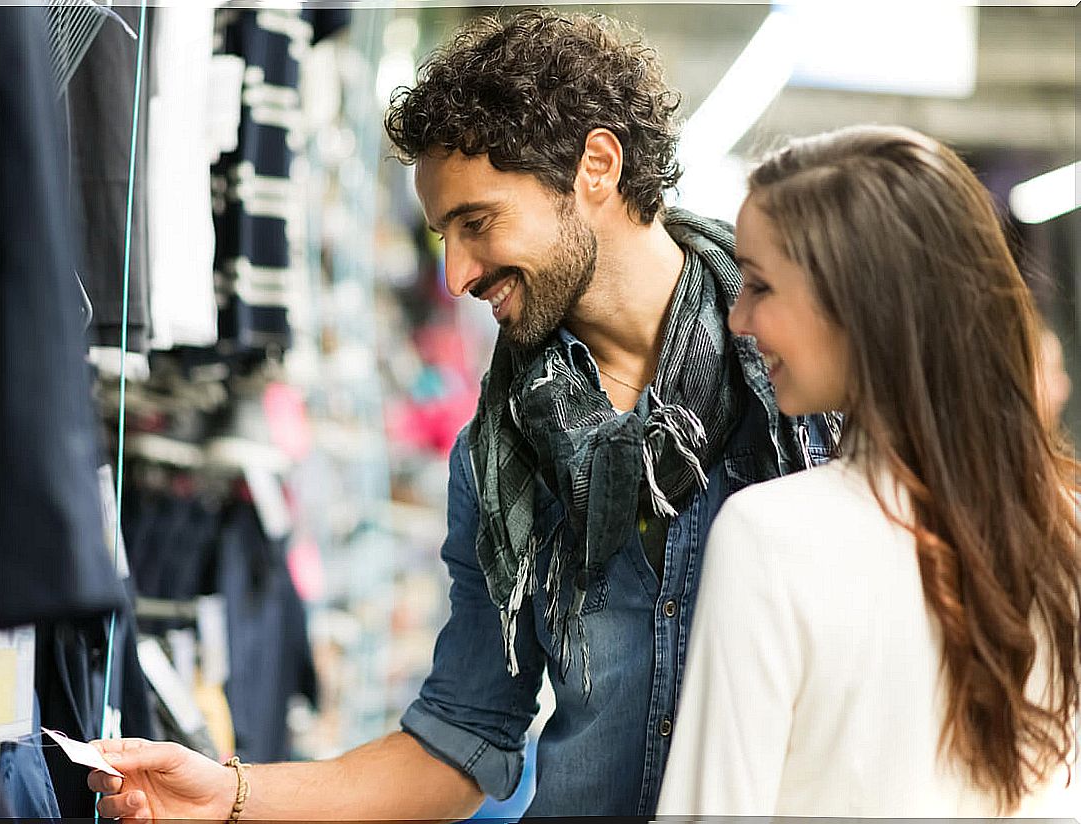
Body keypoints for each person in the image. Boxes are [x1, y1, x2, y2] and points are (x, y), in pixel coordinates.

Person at [87, 10, 836, 819]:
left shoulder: (804, 383)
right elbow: (461, 739)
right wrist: (230, 795)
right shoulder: (500, 455)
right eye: (444, 234)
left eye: (477, 223)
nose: (455, 276)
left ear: (597, 165)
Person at [657, 125, 1081, 817]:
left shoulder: (771, 537)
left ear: (861, 306)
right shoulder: (1066, 531)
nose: (737, 318)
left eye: (760, 286)